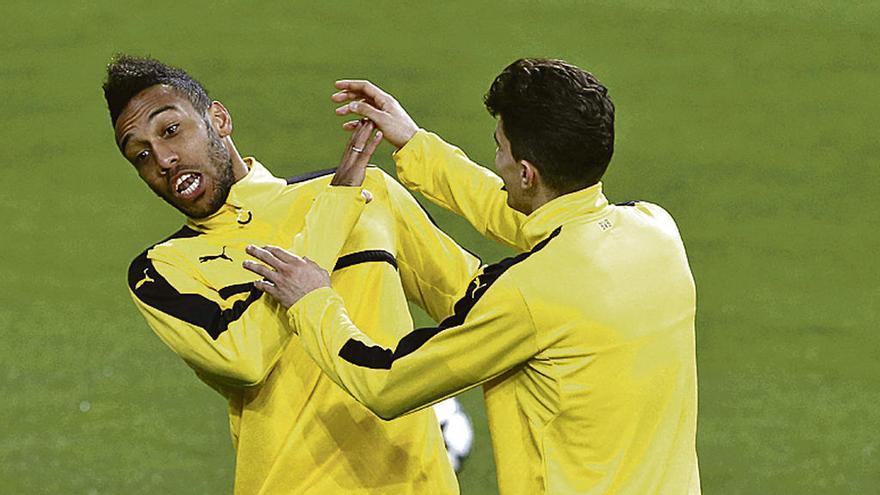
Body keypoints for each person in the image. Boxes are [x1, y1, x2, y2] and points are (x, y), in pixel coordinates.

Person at [244, 58, 701, 494]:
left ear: (526, 172)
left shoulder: (525, 295)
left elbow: (385, 382)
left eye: (499, 147)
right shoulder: (656, 230)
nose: (497, 160)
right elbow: (538, 221)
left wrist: (312, 300)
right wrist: (415, 144)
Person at [104, 54, 481, 494]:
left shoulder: (370, 191)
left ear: (219, 119)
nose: (164, 160)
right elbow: (243, 358)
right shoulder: (163, 269)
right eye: (141, 155)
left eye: (171, 131)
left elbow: (481, 305)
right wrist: (338, 203)